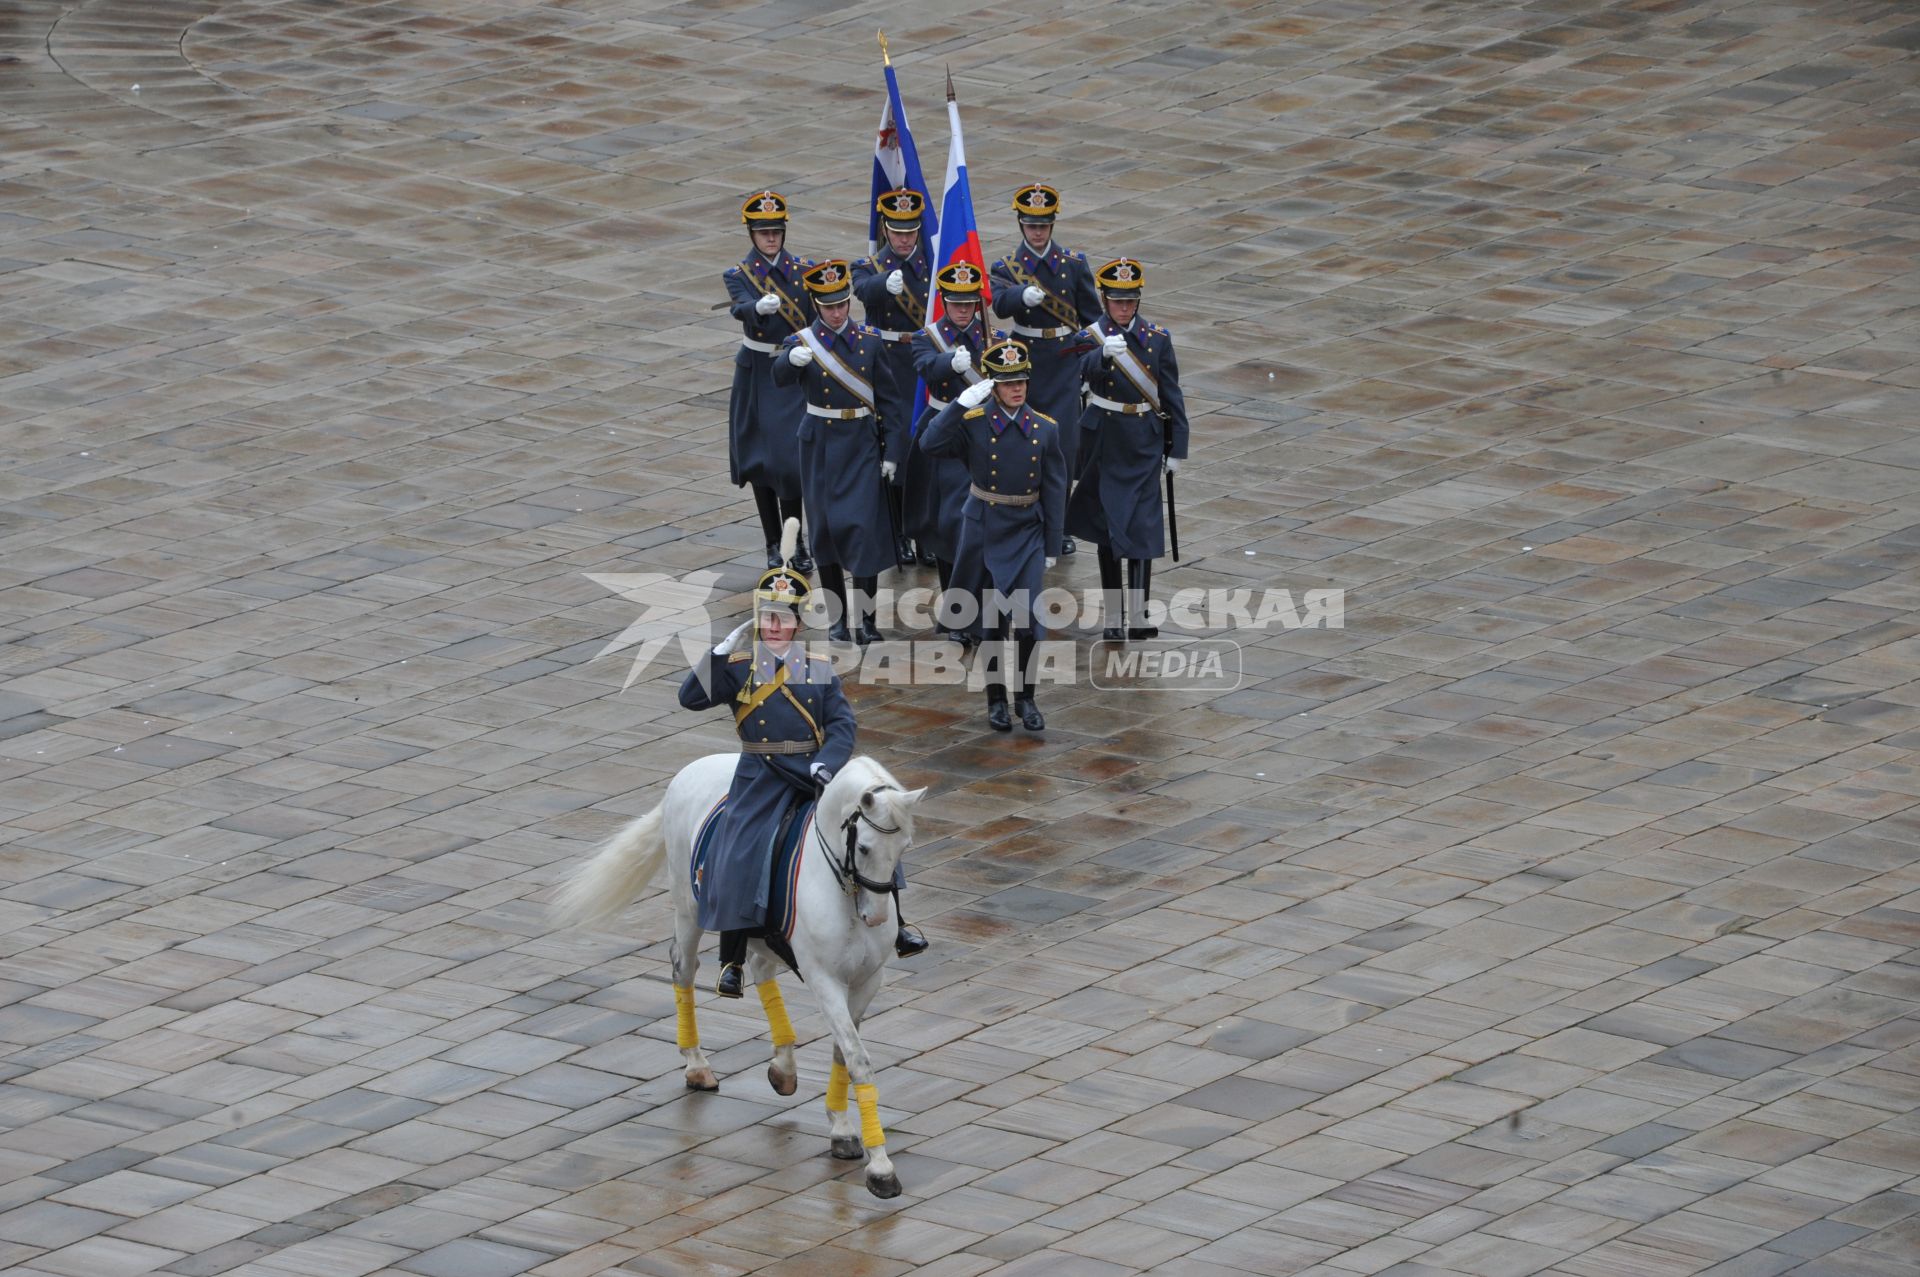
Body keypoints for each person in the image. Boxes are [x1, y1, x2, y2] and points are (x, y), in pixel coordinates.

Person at [677, 526, 925, 1000]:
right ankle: (732, 957)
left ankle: (901, 922)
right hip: (758, 776)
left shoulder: (817, 667)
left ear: (796, 623)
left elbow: (843, 726)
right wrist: (717, 654)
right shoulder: (737, 667)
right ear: (758, 619)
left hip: (811, 773)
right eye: (768, 618)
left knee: (874, 830)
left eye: (783, 619)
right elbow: (689, 699)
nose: (775, 627)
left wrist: (827, 766)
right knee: (738, 846)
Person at [918, 340, 1066, 731]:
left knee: (1030, 621)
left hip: (1028, 531)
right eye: (1006, 382)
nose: (1016, 389)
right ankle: (996, 700)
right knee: (992, 622)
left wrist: (1052, 544)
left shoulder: (1045, 430)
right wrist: (959, 404)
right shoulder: (974, 421)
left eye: (1021, 381)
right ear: (992, 385)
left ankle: (1027, 698)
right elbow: (929, 443)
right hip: (985, 526)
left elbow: (1054, 488)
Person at [772, 261, 906, 646]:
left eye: (843, 303)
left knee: (862, 530)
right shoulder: (801, 343)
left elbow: (892, 402)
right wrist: (788, 360)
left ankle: (865, 620)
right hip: (820, 445)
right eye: (830, 306)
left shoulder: (870, 340)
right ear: (816, 304)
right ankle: (837, 618)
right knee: (826, 532)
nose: (838, 312)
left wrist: (893, 452)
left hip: (861, 442)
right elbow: (778, 379)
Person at [1066, 258, 1189, 641]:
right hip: (1104, 440)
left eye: (1130, 301)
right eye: (1117, 301)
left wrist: (1177, 448)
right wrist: (1101, 356)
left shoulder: (1157, 338)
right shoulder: (1090, 336)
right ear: (1104, 299)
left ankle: (1138, 615)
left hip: (1143, 440)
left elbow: (1171, 394)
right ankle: (1114, 618)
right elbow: (1078, 372)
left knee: (1142, 526)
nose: (1124, 308)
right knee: (1109, 529)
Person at [988, 183, 1100, 555]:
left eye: (1043, 225)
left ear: (1052, 225)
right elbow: (999, 305)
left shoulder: (1072, 264)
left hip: (1065, 361)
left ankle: (1060, 521)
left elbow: (1092, 320)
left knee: (1065, 447)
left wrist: (1087, 365)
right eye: (1031, 226)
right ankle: (1027, 515)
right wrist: (1021, 294)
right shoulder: (1007, 267)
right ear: (1021, 225)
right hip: (1027, 363)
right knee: (1025, 443)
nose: (1038, 232)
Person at [907, 262, 999, 645]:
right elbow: (926, 368)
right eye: (955, 303)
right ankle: (958, 613)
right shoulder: (927, 337)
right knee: (947, 528)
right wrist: (950, 363)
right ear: (943, 300)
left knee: (981, 528)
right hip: (944, 432)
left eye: (969, 303)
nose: (963, 310)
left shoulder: (994, 337)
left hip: (983, 433)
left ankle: (984, 611)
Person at [724, 191, 816, 572]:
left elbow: (814, 316)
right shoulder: (739, 275)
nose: (771, 239)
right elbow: (738, 306)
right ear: (751, 234)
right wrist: (755, 308)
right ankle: (772, 544)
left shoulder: (804, 271)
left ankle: (796, 542)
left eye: (776, 231)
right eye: (763, 233)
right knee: (760, 461)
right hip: (758, 373)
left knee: (791, 463)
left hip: (791, 370)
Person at [853, 189, 933, 568]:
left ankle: (925, 534)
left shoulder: (934, 265)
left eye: (910, 231)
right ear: (885, 228)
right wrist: (882, 285)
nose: (904, 239)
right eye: (897, 231)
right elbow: (860, 289)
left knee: (925, 445)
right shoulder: (870, 266)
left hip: (922, 361)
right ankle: (899, 532)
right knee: (895, 448)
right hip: (887, 364)